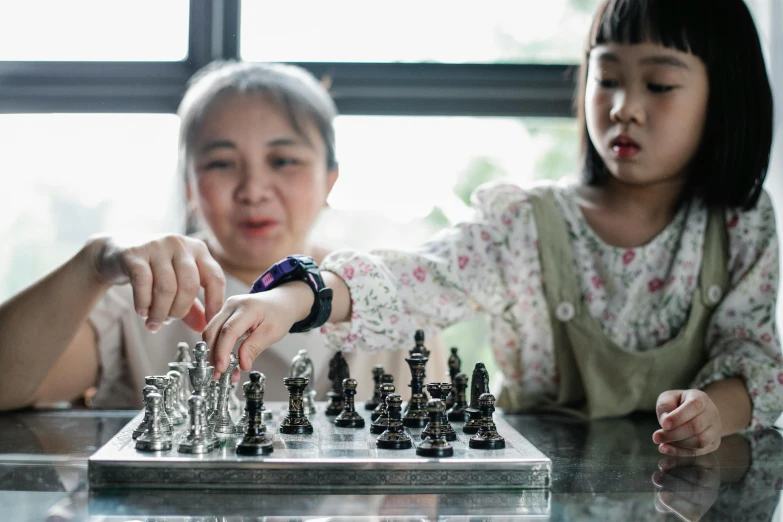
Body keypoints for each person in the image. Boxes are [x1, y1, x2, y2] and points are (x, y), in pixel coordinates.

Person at [202, 0, 783, 457]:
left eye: (658, 85)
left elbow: (753, 359)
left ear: (724, 95)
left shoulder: (741, 226)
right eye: (606, 78)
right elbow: (415, 280)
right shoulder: (526, 226)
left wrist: (712, 413)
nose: (623, 107)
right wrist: (297, 295)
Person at [0, 61, 342, 409]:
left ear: (330, 180)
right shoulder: (135, 293)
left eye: (283, 161)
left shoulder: (373, 291)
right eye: (221, 163)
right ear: (189, 187)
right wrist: (94, 263)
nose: (253, 191)